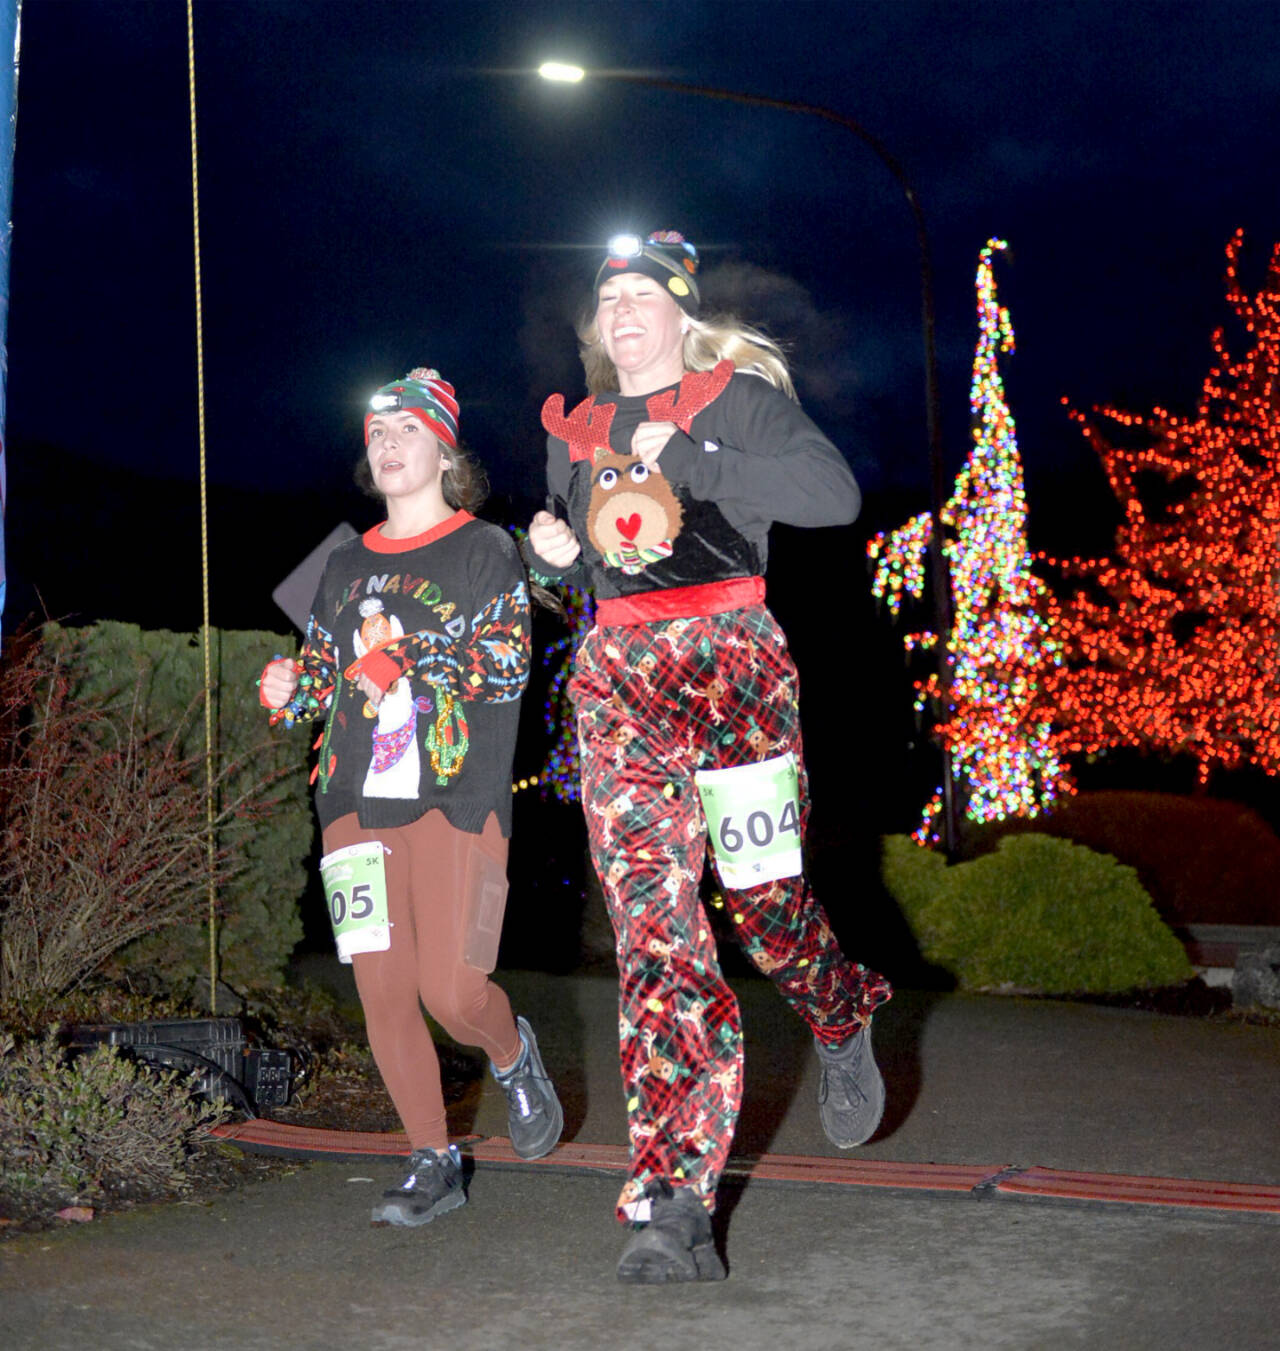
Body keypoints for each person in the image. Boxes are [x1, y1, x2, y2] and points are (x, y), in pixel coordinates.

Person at [525, 231, 892, 1283]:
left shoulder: (736, 400)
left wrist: (691, 456)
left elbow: (832, 495)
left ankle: (838, 1007)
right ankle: (674, 1202)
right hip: (618, 683)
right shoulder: (576, 432)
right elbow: (601, 563)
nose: (624, 312)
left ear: (682, 315)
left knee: (767, 902)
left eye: (645, 295)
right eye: (610, 300)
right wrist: (554, 560)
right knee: (654, 938)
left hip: (733, 670)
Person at [260, 367, 562, 1227]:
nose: (390, 445)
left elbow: (507, 666)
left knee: (452, 993)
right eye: (378, 434)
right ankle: (433, 1157)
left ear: (445, 452)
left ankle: (511, 1050)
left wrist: (411, 654)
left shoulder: (484, 549)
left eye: (408, 431)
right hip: (352, 803)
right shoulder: (344, 562)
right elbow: (322, 683)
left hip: (456, 796)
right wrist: (289, 688)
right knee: (385, 993)